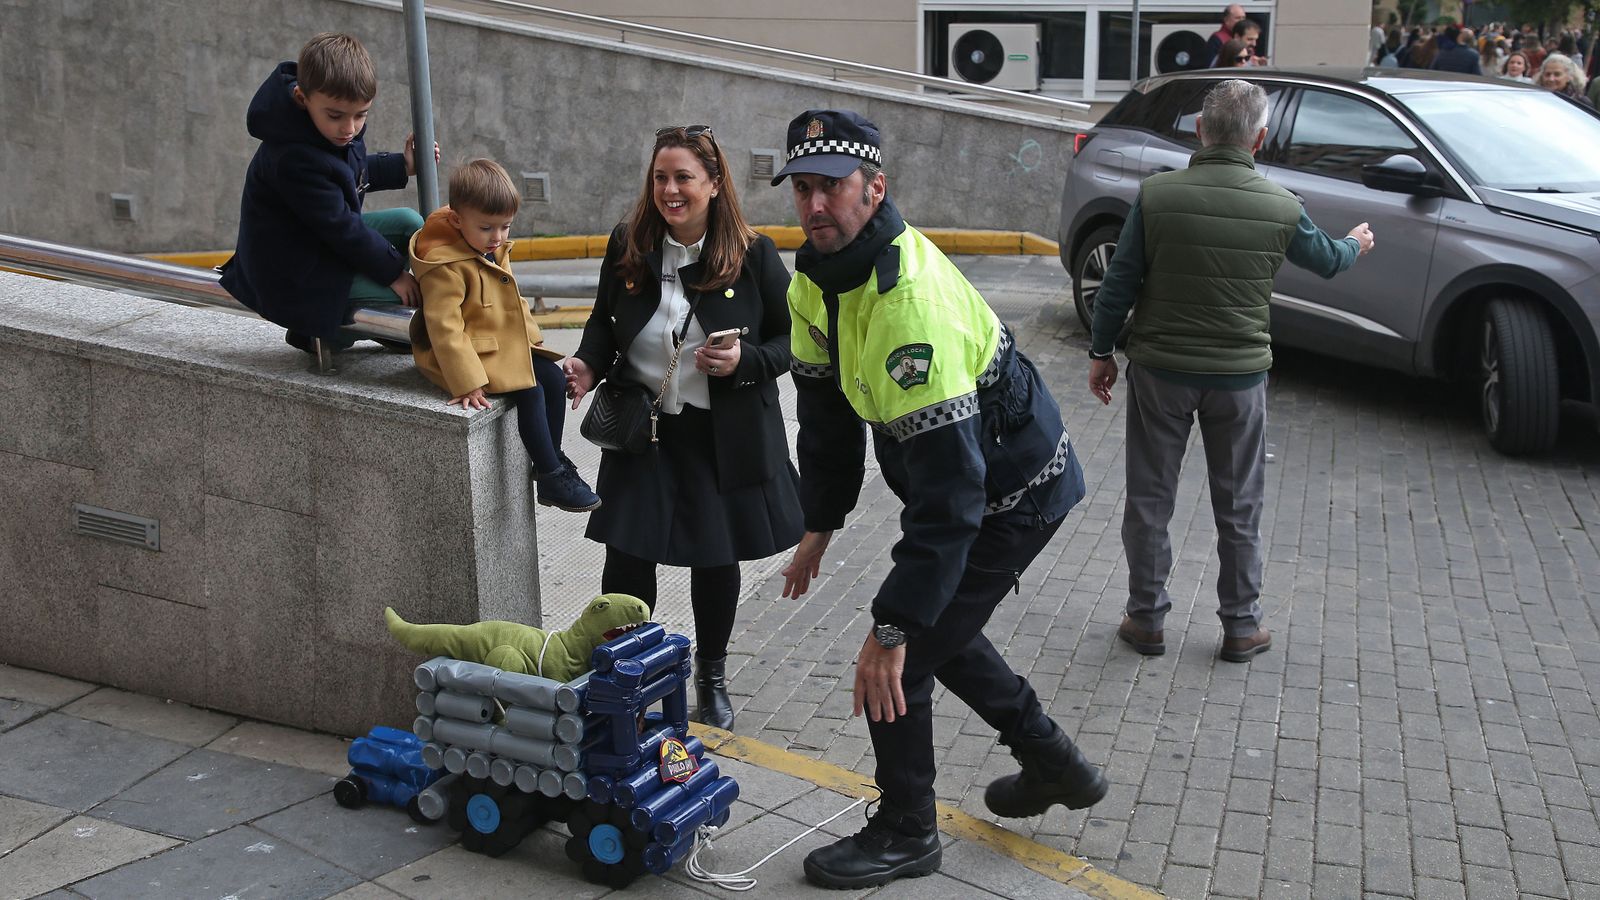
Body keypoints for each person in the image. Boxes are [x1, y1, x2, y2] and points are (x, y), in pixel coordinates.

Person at [772, 109, 1103, 890]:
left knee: (904, 654)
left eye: (834, 188)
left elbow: (951, 501)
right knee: (939, 630)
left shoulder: (905, 304)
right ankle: (1056, 763)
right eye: (803, 189)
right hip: (964, 485)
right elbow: (823, 422)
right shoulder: (816, 281)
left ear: (874, 188)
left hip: (1017, 492)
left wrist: (891, 626)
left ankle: (907, 831)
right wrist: (820, 523)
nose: (816, 206)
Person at [1087, 80, 1374, 664]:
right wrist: (1355, 243)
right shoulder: (1280, 205)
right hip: (1239, 380)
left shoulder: (1157, 195)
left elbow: (1118, 283)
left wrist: (1101, 352)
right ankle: (1241, 627)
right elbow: (1327, 262)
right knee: (1239, 504)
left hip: (1160, 372)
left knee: (1150, 498)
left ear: (1200, 130)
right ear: (1260, 138)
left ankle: (1145, 620)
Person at [563, 125, 802, 731]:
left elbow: (792, 342)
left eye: (684, 178)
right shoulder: (630, 244)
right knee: (626, 558)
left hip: (720, 437)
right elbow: (600, 322)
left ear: (714, 186)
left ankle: (711, 674)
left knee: (715, 561)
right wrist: (587, 365)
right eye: (661, 177)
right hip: (644, 431)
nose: (670, 190)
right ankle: (627, 669)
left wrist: (745, 362)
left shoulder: (754, 255)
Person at [221, 32, 436, 353]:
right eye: (336, 116)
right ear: (300, 97)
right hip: (296, 273)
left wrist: (402, 165)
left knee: (411, 222)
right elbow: (342, 228)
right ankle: (321, 333)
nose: (349, 128)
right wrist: (394, 274)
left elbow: (351, 171)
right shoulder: (294, 157)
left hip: (319, 244)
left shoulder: (326, 128)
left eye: (361, 115)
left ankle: (405, 309)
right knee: (403, 293)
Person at [408, 159, 599, 512]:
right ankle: (551, 472)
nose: (497, 237)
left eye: (506, 227)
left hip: (495, 344)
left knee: (553, 379)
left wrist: (532, 340)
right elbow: (444, 326)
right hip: (464, 354)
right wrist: (466, 381)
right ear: (456, 221)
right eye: (487, 228)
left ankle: (551, 462)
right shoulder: (444, 265)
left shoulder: (489, 249)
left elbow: (514, 300)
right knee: (529, 389)